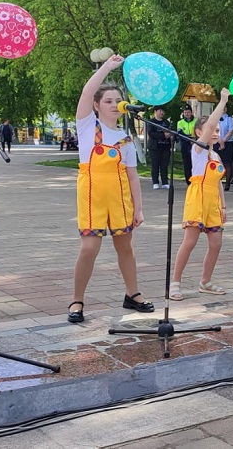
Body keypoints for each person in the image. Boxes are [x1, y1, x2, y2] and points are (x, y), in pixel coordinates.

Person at [67, 54, 151, 323]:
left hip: (120, 199)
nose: (115, 105)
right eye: (108, 101)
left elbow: (133, 177)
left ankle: (132, 294)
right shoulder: (87, 126)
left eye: (118, 100)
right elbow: (86, 91)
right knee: (89, 248)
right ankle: (77, 300)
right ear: (96, 105)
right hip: (92, 197)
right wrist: (107, 67)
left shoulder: (125, 138)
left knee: (125, 247)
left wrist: (138, 208)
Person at [168, 91, 232, 299]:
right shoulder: (198, 149)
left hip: (213, 200)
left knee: (216, 243)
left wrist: (223, 206)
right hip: (197, 197)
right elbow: (211, 124)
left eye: (217, 130)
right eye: (211, 130)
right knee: (190, 242)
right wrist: (223, 101)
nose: (215, 133)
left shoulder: (216, 155)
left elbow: (219, 182)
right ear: (198, 132)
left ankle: (205, 281)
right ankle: (175, 283)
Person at [146, 105, 171, 190]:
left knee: (164, 165)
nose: (162, 113)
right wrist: (163, 135)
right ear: (155, 112)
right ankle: (155, 182)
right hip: (155, 147)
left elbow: (170, 130)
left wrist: (169, 135)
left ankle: (165, 182)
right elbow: (151, 133)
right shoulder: (151, 122)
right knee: (155, 164)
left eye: (163, 111)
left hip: (165, 146)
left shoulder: (166, 122)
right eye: (160, 111)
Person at [215, 103, 233, 191]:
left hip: (228, 143)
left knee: (227, 163)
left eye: (224, 107)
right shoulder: (215, 119)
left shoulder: (230, 119)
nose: (222, 109)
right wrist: (220, 141)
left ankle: (227, 184)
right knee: (216, 163)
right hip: (217, 142)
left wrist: (223, 141)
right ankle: (216, 182)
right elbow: (214, 130)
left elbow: (231, 131)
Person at [176, 104, 197, 185]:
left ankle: (195, 180)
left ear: (191, 113)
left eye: (188, 112)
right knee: (186, 164)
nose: (187, 114)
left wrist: (194, 139)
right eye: (185, 112)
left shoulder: (196, 121)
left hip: (194, 144)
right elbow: (180, 133)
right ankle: (188, 181)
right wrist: (189, 139)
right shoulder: (180, 122)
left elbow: (198, 131)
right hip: (185, 144)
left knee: (194, 163)